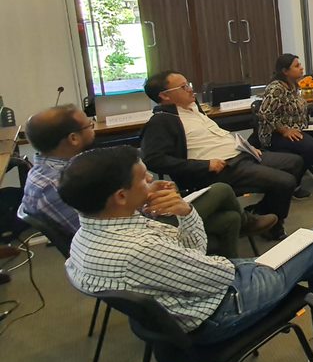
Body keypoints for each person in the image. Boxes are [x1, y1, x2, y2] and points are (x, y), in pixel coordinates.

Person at [60, 146, 313, 361]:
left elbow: (193, 254)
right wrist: (254, 265)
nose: (152, 180)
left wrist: (185, 212)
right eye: (143, 179)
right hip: (223, 312)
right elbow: (223, 273)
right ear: (120, 196)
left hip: (186, 309)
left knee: (300, 250)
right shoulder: (141, 248)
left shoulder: (87, 237)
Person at [17, 105, 275, 257]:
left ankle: (229, 271)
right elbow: (101, 234)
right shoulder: (58, 185)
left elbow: (106, 210)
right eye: (89, 125)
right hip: (136, 245)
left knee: (227, 219)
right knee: (220, 190)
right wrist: (147, 201)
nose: (93, 127)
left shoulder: (53, 171)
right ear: (73, 138)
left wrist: (144, 192)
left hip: (134, 225)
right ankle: (244, 228)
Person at [141, 70, 305, 239]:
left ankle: (260, 211)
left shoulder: (194, 109)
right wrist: (206, 165)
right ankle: (271, 227)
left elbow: (217, 136)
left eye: (188, 84)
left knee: (294, 162)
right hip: (221, 168)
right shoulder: (161, 121)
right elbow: (154, 160)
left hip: (241, 154)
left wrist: (247, 147)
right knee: (285, 182)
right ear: (165, 96)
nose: (190, 89)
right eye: (183, 87)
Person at [258, 54, 313, 186]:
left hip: (299, 126)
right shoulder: (276, 88)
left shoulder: (293, 85)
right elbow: (264, 113)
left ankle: (311, 164)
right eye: (297, 66)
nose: (301, 68)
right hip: (275, 133)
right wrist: (284, 130)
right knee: (310, 147)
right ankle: (294, 182)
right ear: (285, 71)